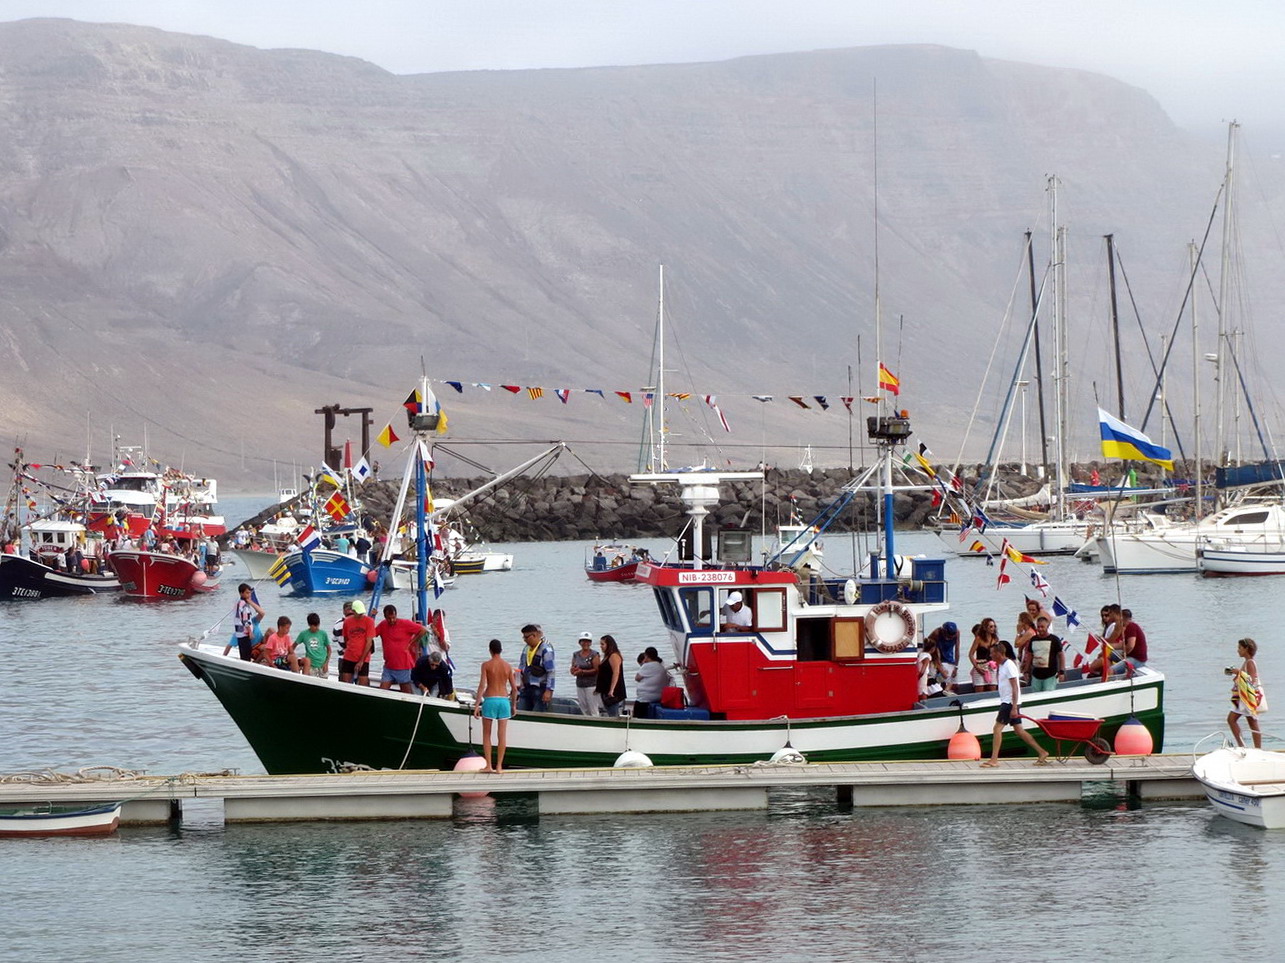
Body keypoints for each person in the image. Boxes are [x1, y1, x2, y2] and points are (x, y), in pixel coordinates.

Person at [981, 640, 1050, 767]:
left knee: (997, 729)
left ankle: (994, 759)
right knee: (1019, 731)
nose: (990, 656)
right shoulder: (1001, 665)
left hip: (1009, 702)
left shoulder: (1009, 665)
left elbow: (1015, 687)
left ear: (999, 653)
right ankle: (1042, 752)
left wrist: (1013, 707)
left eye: (992, 653)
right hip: (1008, 701)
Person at [473, 639, 518, 772]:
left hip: (490, 700)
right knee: (502, 736)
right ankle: (499, 766)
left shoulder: (486, 665)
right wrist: (513, 705)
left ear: (490, 650)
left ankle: (489, 766)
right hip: (504, 701)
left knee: (487, 734)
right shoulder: (507, 666)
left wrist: (477, 704)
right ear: (501, 650)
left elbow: (482, 685)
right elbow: (515, 689)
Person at [374, 603, 425, 693]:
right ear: (385, 617)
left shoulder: (405, 623)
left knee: (406, 692)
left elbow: (423, 630)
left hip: (403, 665)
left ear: (396, 615)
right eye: (389, 618)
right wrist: (372, 617)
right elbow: (372, 633)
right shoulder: (383, 625)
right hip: (389, 666)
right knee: (382, 691)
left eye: (393, 617)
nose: (392, 620)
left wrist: (411, 643)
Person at [1227, 637, 1267, 749]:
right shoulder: (1246, 662)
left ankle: (1249, 747)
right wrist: (1236, 674)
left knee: (1236, 720)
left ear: (1246, 649)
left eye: (1240, 648)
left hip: (1248, 698)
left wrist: (1238, 672)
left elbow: (1252, 679)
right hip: (1243, 698)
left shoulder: (1250, 662)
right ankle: (1248, 746)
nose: (1238, 650)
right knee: (1249, 721)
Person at [516, 623, 555, 712]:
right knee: (522, 713)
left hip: (540, 688)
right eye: (523, 637)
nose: (525, 640)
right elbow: (521, 667)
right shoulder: (526, 649)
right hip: (526, 687)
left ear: (535, 635)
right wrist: (517, 686)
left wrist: (549, 690)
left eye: (526, 637)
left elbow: (551, 671)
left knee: (539, 713)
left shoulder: (546, 649)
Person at [223, 583, 265, 661]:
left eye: (249, 593)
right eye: (247, 593)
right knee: (246, 656)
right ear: (241, 593)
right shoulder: (244, 605)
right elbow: (245, 620)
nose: (249, 595)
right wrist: (250, 632)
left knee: (243, 655)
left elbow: (262, 613)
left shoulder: (238, 603)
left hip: (240, 633)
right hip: (245, 634)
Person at [339, 599, 376, 686]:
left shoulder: (369, 621)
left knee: (363, 683)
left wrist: (361, 661)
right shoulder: (347, 622)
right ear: (353, 611)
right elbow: (346, 639)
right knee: (345, 683)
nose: (360, 615)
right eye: (358, 613)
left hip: (364, 658)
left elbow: (369, 643)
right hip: (349, 656)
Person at [1024, 615, 1065, 692]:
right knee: (1035, 695)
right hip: (1036, 675)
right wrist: (1026, 670)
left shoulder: (1054, 639)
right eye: (1038, 627)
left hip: (1050, 675)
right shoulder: (1033, 639)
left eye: (1042, 627)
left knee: (1048, 694)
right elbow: (1029, 655)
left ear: (1047, 626)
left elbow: (1061, 655)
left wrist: (1061, 671)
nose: (1040, 629)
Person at [633, 646, 672, 719]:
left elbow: (637, 678)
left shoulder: (647, 665)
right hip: (659, 696)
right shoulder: (660, 666)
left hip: (646, 698)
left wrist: (644, 663)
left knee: (637, 707)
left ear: (646, 656)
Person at [570, 631, 602, 717]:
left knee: (593, 708)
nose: (585, 643)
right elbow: (572, 668)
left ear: (591, 643)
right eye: (583, 641)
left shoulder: (594, 654)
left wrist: (583, 672)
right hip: (580, 684)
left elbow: (597, 670)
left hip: (591, 685)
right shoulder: (576, 654)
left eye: (588, 641)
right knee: (583, 708)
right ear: (579, 642)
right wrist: (574, 671)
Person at [595, 635, 627, 717]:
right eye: (600, 644)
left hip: (614, 692)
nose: (601, 646)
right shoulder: (606, 656)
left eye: (602, 644)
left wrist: (612, 689)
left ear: (608, 644)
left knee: (613, 714)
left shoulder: (614, 656)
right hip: (604, 690)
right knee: (609, 712)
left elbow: (616, 673)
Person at [925, 622, 960, 694]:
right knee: (945, 680)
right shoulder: (936, 633)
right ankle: (943, 693)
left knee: (954, 684)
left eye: (951, 637)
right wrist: (939, 667)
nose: (949, 638)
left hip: (950, 658)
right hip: (938, 658)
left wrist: (956, 666)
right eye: (948, 636)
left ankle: (946, 692)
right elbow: (930, 648)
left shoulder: (957, 633)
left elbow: (957, 650)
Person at [293, 611, 331, 677]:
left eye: (318, 625)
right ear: (309, 625)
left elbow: (329, 649)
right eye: (315, 626)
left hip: (322, 665)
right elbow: (293, 646)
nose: (317, 627)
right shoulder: (303, 634)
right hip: (311, 666)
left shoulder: (323, 634)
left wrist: (326, 663)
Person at [968, 619, 999, 692]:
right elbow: (971, 654)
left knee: (993, 688)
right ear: (985, 628)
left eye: (994, 626)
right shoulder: (978, 639)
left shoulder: (995, 639)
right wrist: (977, 667)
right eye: (991, 627)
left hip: (991, 665)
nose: (993, 628)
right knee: (980, 688)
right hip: (980, 665)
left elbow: (997, 653)